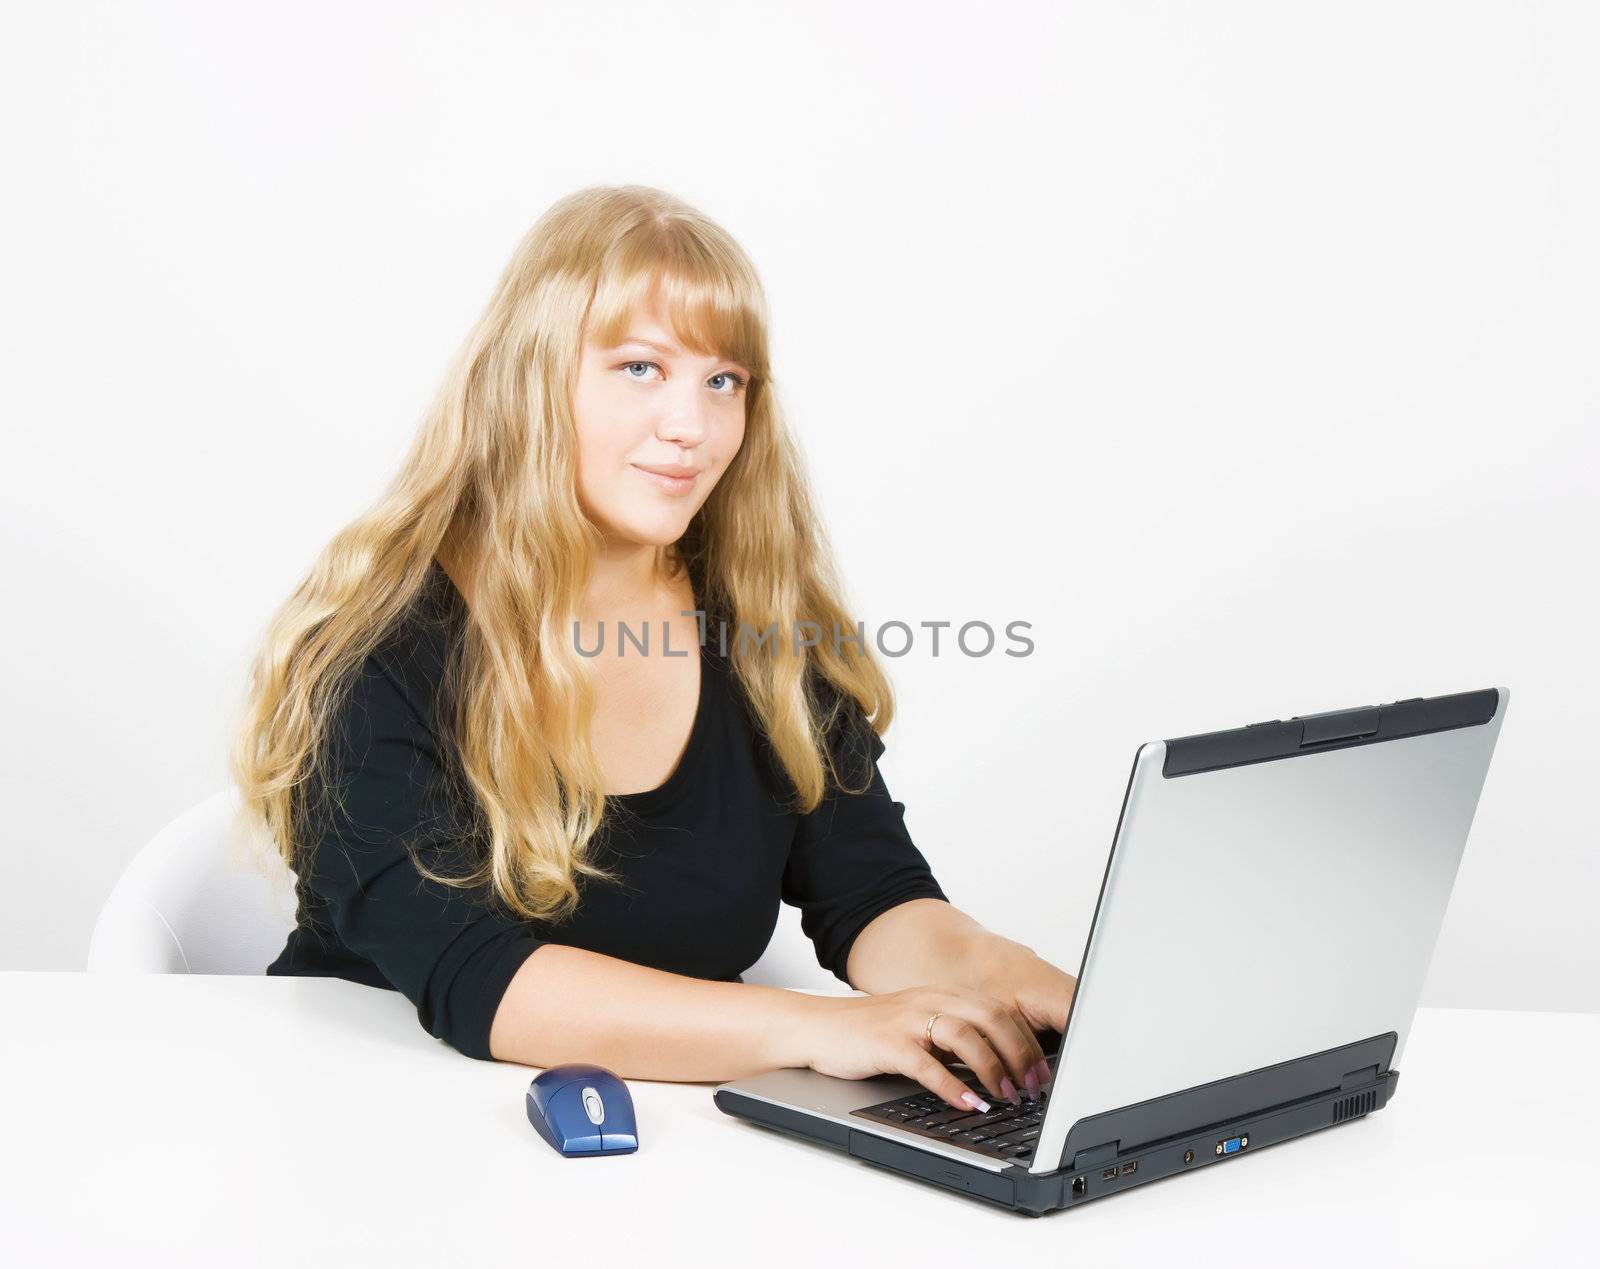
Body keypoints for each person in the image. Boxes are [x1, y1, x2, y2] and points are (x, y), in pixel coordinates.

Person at [231, 184, 1077, 1114]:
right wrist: (819, 1027)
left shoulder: (756, 631)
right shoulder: (376, 649)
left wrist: (1028, 984)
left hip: (664, 1162)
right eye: (641, 368)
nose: (693, 427)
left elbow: (873, 892)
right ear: (533, 376)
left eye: (724, 381)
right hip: (368, 1128)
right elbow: (478, 976)